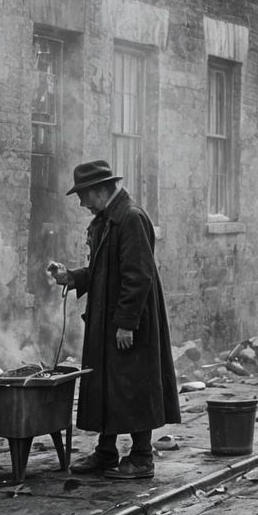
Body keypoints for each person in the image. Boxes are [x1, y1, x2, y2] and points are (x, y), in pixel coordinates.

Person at [49, 160, 181, 480]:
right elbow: (101, 270)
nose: (81, 202)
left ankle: (142, 457)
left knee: (133, 385)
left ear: (100, 190)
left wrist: (126, 322)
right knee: (106, 385)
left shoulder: (131, 219)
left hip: (128, 320)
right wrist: (73, 277)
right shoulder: (105, 220)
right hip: (107, 317)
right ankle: (106, 451)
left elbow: (138, 275)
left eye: (83, 195)